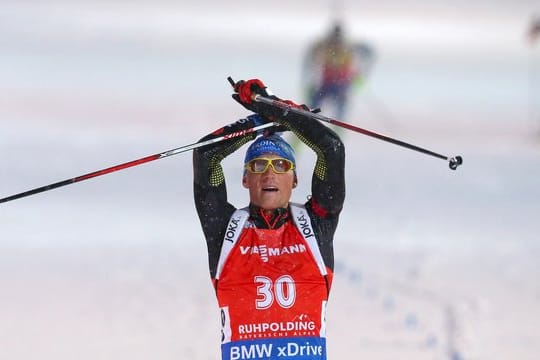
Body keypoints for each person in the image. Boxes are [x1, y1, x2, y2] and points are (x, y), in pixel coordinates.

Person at [193, 79, 345, 360]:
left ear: (295, 179)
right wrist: (257, 120)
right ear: (245, 178)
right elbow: (206, 156)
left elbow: (331, 149)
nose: (269, 173)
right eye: (258, 165)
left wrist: (279, 113)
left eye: (281, 165)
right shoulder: (225, 229)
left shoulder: (316, 224)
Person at [303, 21, 375, 122]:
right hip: (327, 84)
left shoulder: (347, 46)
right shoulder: (326, 45)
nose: (336, 42)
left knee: (340, 111)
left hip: (340, 85)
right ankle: (305, 123)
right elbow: (312, 56)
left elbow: (367, 53)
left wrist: (359, 78)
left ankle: (338, 129)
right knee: (312, 106)